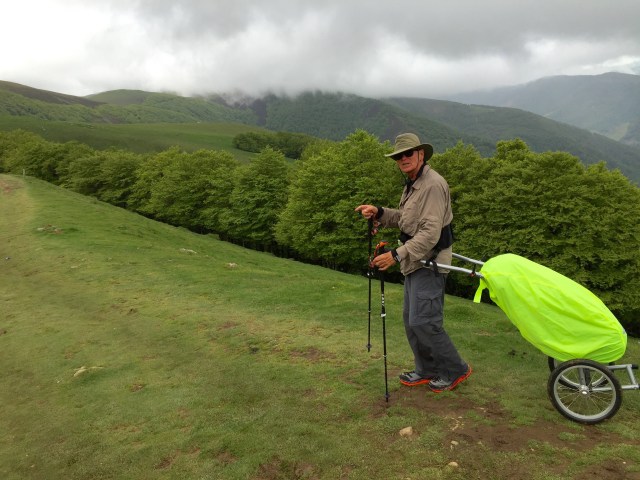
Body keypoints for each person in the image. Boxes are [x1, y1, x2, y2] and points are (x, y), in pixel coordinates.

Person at [355, 133, 471, 393]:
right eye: (399, 156)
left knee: (425, 321)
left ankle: (456, 369)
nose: (403, 159)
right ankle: (427, 369)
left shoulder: (432, 185)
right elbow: (406, 220)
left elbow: (430, 234)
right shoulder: (413, 183)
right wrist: (380, 213)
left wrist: (396, 255)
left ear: (421, 154)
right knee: (412, 320)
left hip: (430, 262)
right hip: (416, 261)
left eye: (408, 153)